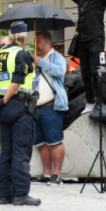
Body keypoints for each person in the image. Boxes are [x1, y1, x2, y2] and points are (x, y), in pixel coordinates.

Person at [0, 21, 41, 206]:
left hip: (3, 108)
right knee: (21, 152)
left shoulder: (0, 54)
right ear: (24, 36)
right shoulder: (22, 54)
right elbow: (17, 81)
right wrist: (4, 99)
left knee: (6, 153)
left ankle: (4, 194)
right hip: (19, 105)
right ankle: (20, 193)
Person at [32, 31, 68, 185]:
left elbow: (60, 72)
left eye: (39, 41)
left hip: (51, 106)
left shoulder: (56, 56)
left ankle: (57, 174)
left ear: (47, 43)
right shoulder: (34, 58)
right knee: (42, 142)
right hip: (37, 106)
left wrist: (39, 62)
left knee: (55, 140)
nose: (36, 44)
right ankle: (47, 173)